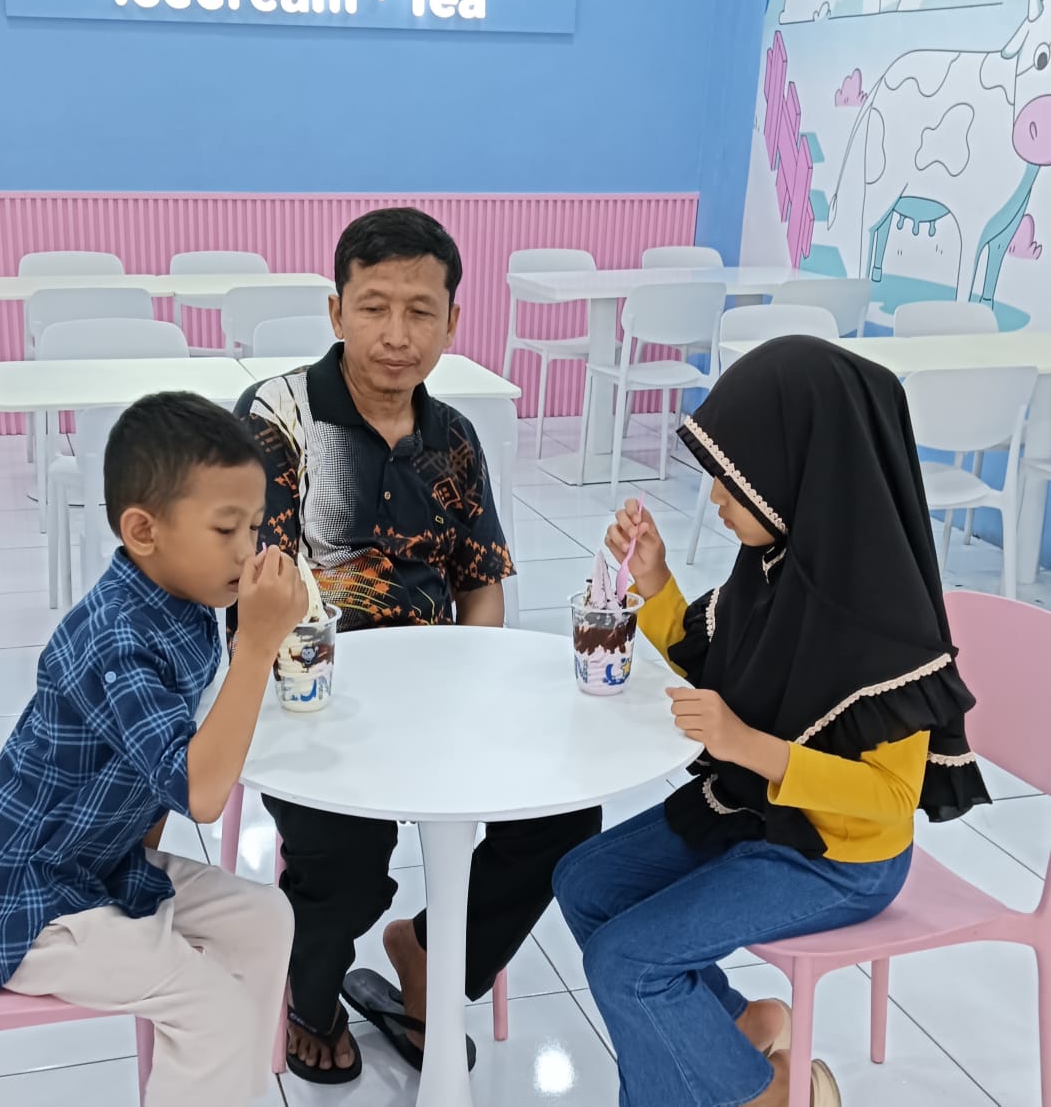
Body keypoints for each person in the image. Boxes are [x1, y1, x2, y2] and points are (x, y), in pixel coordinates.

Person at [553, 336, 989, 1107]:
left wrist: (748, 745)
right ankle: (737, 1028)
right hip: (757, 812)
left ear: (801, 475)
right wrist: (655, 581)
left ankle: (770, 1097)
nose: (717, 499)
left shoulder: (887, 621)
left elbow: (891, 799)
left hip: (840, 858)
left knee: (627, 964)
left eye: (734, 480)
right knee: (584, 882)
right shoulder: (779, 566)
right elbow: (717, 664)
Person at [230, 206, 602, 1083]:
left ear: (452, 322)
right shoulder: (279, 419)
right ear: (336, 311)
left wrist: (474, 691)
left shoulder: (454, 438)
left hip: (439, 693)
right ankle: (311, 997)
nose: (396, 336)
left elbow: (480, 583)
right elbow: (263, 593)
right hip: (312, 697)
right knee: (347, 865)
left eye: (420, 311)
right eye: (374, 307)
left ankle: (430, 955)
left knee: (563, 820)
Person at [0, 392, 308, 1107]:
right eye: (226, 528)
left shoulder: (186, 605)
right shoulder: (117, 639)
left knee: (268, 919)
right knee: (214, 1011)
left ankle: (230, 1091)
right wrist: (259, 644)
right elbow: (201, 794)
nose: (249, 550)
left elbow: (157, 782)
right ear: (143, 531)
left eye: (255, 526)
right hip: (20, 904)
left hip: (96, 864)